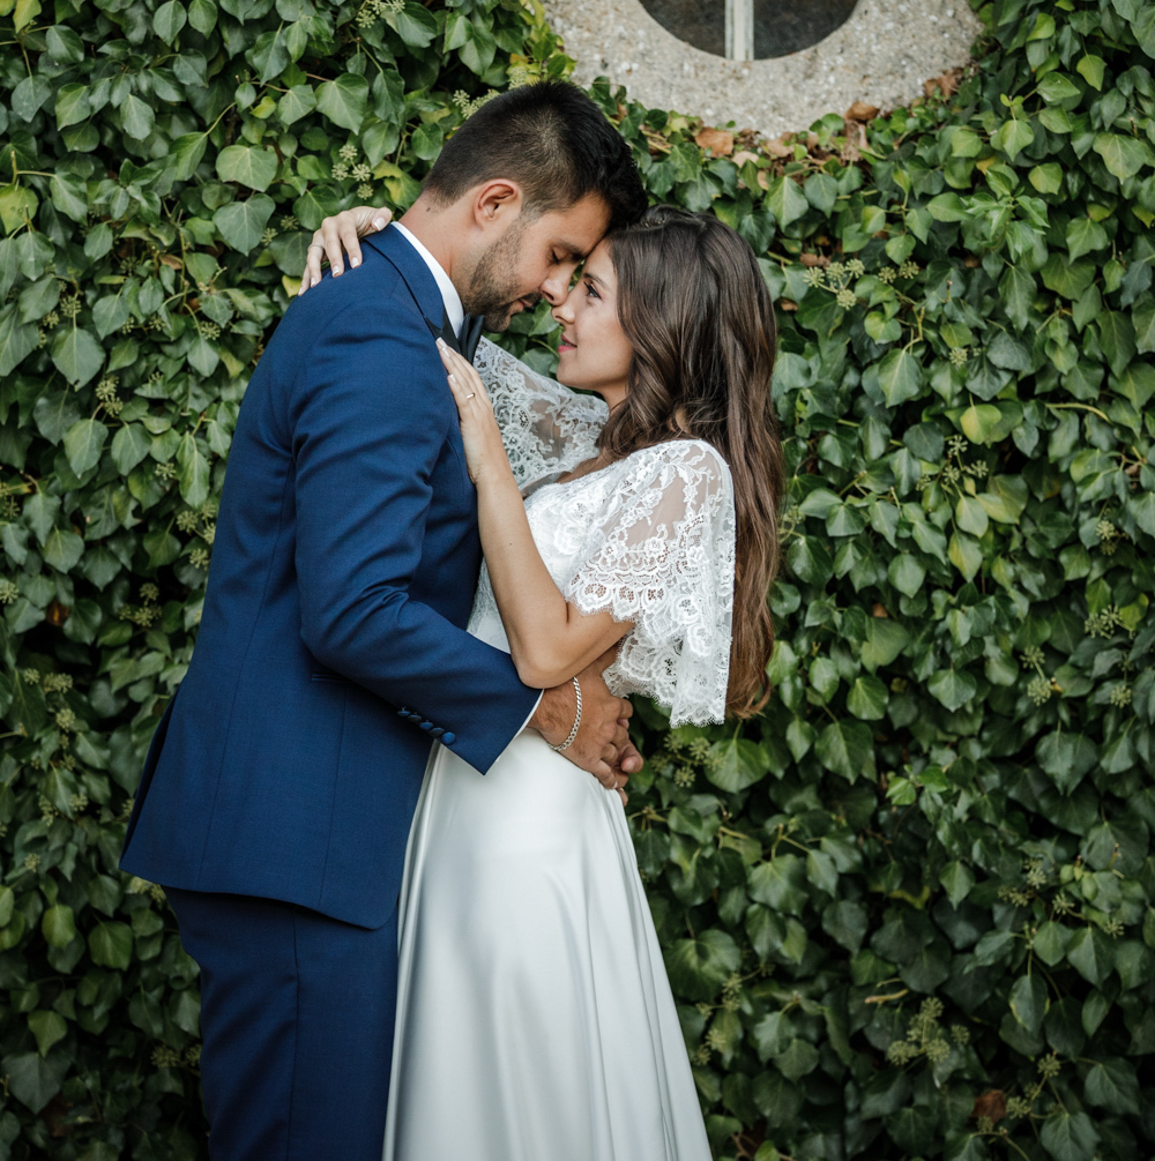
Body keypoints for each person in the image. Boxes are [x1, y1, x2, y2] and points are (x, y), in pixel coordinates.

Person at [119, 81, 649, 1161]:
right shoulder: (378, 332)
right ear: (495, 202)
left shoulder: (405, 318)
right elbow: (354, 611)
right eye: (561, 256)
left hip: (314, 830)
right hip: (299, 834)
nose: (557, 292)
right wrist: (544, 708)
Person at [303, 196, 783, 1160]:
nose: (561, 301)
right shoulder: (581, 440)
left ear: (660, 324)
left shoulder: (685, 475)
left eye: (590, 289)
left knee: (514, 1079)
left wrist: (486, 457)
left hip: (527, 821)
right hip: (460, 788)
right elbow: (442, 326)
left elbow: (546, 652)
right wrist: (363, 234)